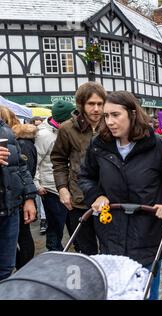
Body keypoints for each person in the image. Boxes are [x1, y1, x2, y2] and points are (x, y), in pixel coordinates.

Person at [78, 91, 162, 300]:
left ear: (132, 114)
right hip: (110, 232)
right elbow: (86, 176)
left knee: (146, 292)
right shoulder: (98, 146)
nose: (110, 121)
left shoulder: (160, 145)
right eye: (106, 116)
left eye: (115, 115)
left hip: (147, 234)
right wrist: (96, 195)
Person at [51, 82, 106, 255]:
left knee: (110, 249)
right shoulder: (67, 128)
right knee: (86, 250)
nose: (96, 109)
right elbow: (58, 160)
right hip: (79, 198)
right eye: (91, 104)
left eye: (100, 104)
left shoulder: (111, 124)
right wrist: (62, 188)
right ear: (81, 104)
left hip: (108, 197)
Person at [0, 109, 37, 280]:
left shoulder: (6, 131)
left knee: (6, 268)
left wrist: (29, 198)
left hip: (10, 210)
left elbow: (21, 167)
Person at [35, 101, 75, 251]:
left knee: (72, 224)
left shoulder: (64, 131)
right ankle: (54, 253)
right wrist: (37, 184)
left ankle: (73, 251)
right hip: (51, 189)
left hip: (67, 186)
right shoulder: (44, 135)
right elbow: (36, 161)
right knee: (55, 227)